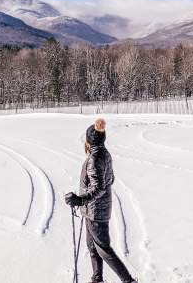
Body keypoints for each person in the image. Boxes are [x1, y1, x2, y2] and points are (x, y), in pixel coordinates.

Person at [65, 118, 136, 283]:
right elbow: (109, 180)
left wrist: (80, 200)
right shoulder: (104, 154)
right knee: (93, 247)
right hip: (94, 210)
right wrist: (83, 197)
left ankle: (128, 281)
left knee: (104, 249)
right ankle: (97, 279)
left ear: (89, 140)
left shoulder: (95, 158)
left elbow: (99, 187)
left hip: (96, 211)